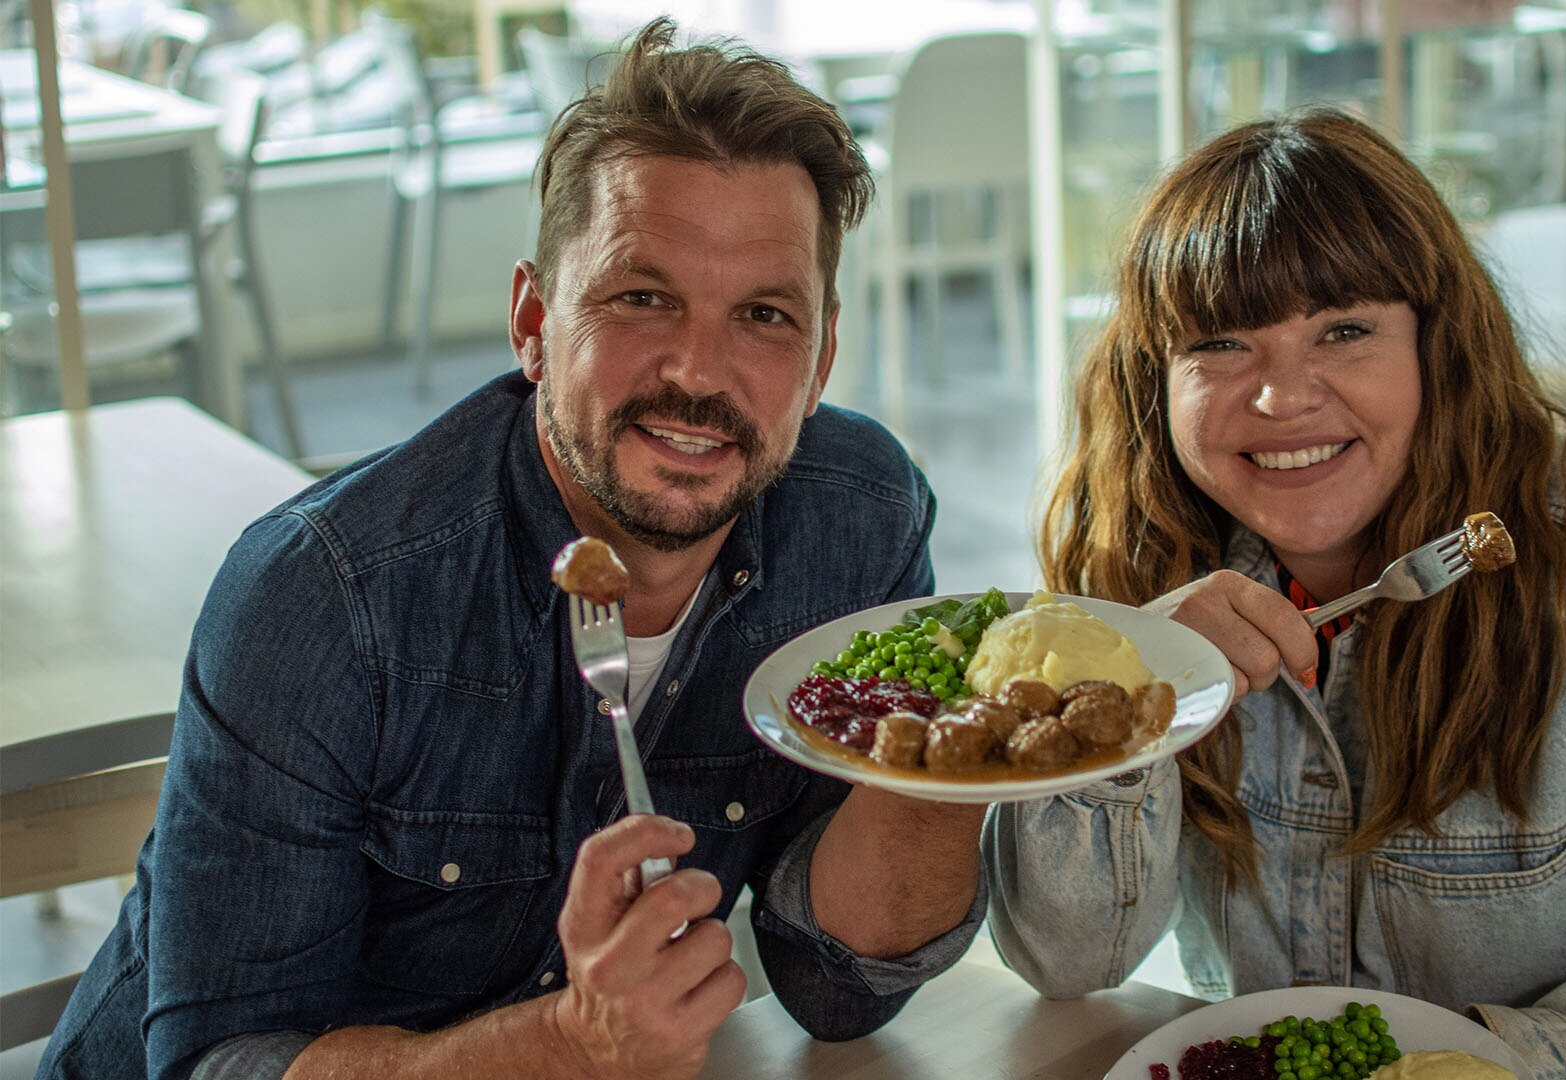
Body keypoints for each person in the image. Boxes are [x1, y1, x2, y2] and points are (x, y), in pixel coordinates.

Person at [41, 19, 989, 1080]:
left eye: (765, 315)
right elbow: (218, 1063)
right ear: (534, 321)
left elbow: (836, 987)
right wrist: (569, 1045)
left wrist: (954, 756)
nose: (697, 369)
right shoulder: (326, 599)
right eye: (642, 297)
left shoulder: (858, 525)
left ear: (821, 359)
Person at [984, 108, 1566, 1078]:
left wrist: (1480, 1062)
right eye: (1220, 343)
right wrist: (1124, 705)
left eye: (1344, 331)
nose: (1282, 397)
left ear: (1439, 347)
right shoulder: (1143, 577)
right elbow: (1066, 959)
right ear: (1152, 379)